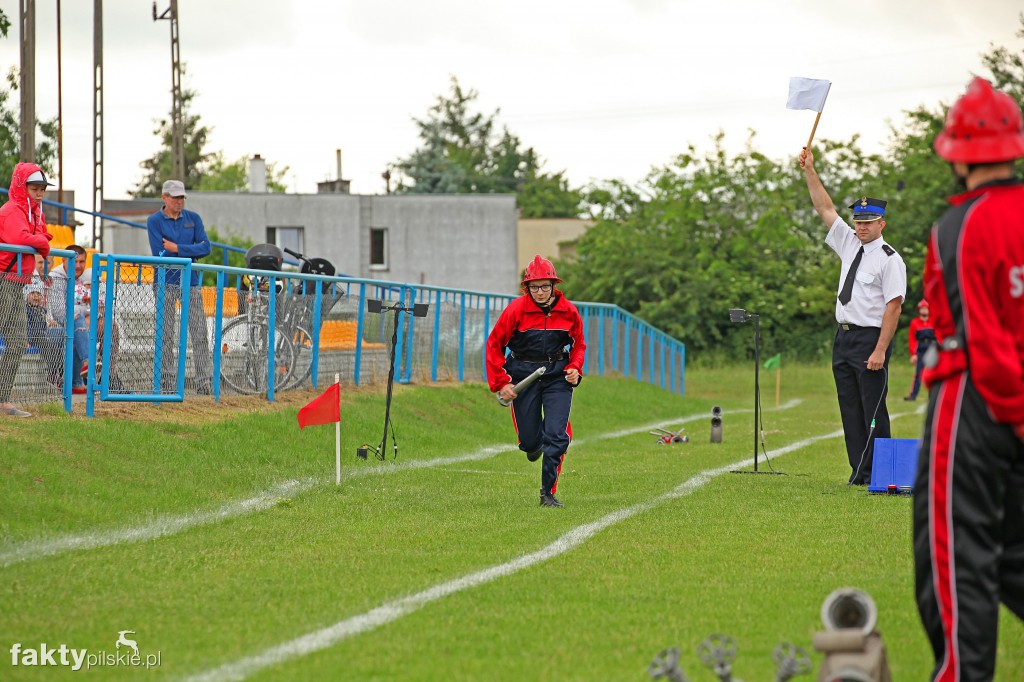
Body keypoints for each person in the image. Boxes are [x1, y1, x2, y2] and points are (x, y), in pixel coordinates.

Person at [912, 77, 1024, 682]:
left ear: (956, 156)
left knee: (955, 556)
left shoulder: (959, 227)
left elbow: (980, 336)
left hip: (978, 402)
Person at [800, 147, 907, 485]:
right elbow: (823, 207)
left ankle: (883, 472)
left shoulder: (890, 259)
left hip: (870, 338)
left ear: (881, 223)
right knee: (849, 407)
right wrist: (810, 171)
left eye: (868, 222)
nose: (861, 226)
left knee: (872, 407)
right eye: (859, 221)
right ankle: (859, 471)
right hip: (844, 336)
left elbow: (894, 306)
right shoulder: (849, 243)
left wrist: (879, 349)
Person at [486, 255, 586, 508]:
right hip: (522, 374)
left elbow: (579, 344)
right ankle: (534, 441)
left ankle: (547, 494)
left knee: (557, 436)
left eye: (544, 286)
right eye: (534, 287)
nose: (539, 292)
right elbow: (494, 345)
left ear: (554, 286)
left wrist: (575, 368)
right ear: (526, 288)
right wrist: (501, 382)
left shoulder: (569, 311)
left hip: (556, 377)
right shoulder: (516, 310)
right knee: (530, 443)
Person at [146, 179, 212, 394]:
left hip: (190, 282)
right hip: (165, 282)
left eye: (182, 197)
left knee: (200, 333)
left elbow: (206, 247)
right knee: (165, 335)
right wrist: (190, 251)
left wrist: (177, 248)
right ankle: (167, 384)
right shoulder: (154, 221)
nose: (179, 201)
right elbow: (160, 253)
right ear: (164, 198)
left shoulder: (194, 218)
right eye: (175, 197)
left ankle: (204, 383)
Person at [0, 163, 54, 417]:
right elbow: (21, 239)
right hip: (3, 280)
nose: (40, 192)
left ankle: (2, 399)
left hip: (16, 283)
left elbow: (42, 234)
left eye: (42, 188)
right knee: (14, 339)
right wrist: (42, 244)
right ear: (23, 187)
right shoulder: (11, 210)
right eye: (35, 188)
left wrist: (41, 241)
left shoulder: (35, 212)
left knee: (18, 341)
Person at [47, 244, 92, 394]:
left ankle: (111, 376)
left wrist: (90, 315)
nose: (78, 266)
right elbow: (59, 312)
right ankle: (85, 368)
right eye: (74, 261)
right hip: (52, 328)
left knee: (111, 327)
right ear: (63, 261)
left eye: (82, 262)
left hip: (76, 325)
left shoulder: (88, 278)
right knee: (77, 325)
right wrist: (84, 313)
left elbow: (99, 305)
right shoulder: (56, 277)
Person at [903, 299, 935, 401]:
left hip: (932, 349)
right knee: (918, 374)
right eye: (923, 308)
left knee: (933, 373)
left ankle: (933, 396)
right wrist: (913, 354)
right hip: (921, 350)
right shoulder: (915, 323)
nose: (925, 310)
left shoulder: (933, 321)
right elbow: (912, 339)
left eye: (926, 308)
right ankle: (913, 395)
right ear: (919, 310)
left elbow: (939, 336)